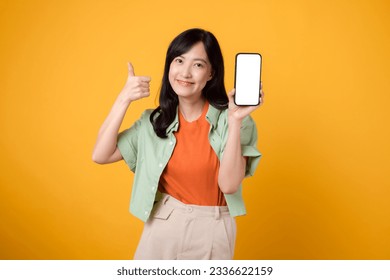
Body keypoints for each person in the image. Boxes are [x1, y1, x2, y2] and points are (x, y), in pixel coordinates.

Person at [92, 28, 263, 260]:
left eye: (198, 65)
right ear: (169, 66)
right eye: (179, 60)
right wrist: (124, 99)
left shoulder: (236, 120)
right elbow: (101, 154)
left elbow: (230, 185)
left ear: (211, 73)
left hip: (212, 228)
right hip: (163, 223)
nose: (185, 72)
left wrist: (234, 122)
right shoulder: (154, 121)